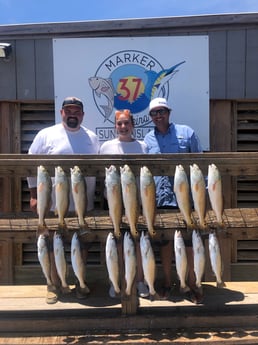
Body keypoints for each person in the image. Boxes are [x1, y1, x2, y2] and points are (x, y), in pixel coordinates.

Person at [27, 96, 100, 304]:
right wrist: (33, 194)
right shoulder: (46, 135)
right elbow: (30, 165)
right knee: (51, 245)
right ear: (61, 113)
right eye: (68, 111)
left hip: (83, 206)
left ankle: (80, 281)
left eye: (76, 111)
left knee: (82, 246)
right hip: (51, 205)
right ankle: (53, 284)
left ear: (82, 115)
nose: (72, 114)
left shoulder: (92, 138)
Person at [144, 97, 203, 303]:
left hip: (187, 200)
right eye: (154, 113)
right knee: (166, 245)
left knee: (189, 245)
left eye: (162, 111)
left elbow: (200, 164)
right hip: (160, 200)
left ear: (169, 112)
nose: (158, 116)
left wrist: (202, 195)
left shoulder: (187, 133)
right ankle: (169, 282)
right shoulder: (147, 139)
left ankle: (192, 284)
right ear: (150, 117)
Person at [100, 109, 149, 298]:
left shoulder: (142, 146)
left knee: (138, 244)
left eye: (126, 123)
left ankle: (140, 281)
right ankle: (117, 282)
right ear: (115, 126)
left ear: (133, 125)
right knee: (117, 246)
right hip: (112, 204)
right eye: (119, 123)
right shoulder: (105, 147)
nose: (123, 127)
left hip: (136, 203)